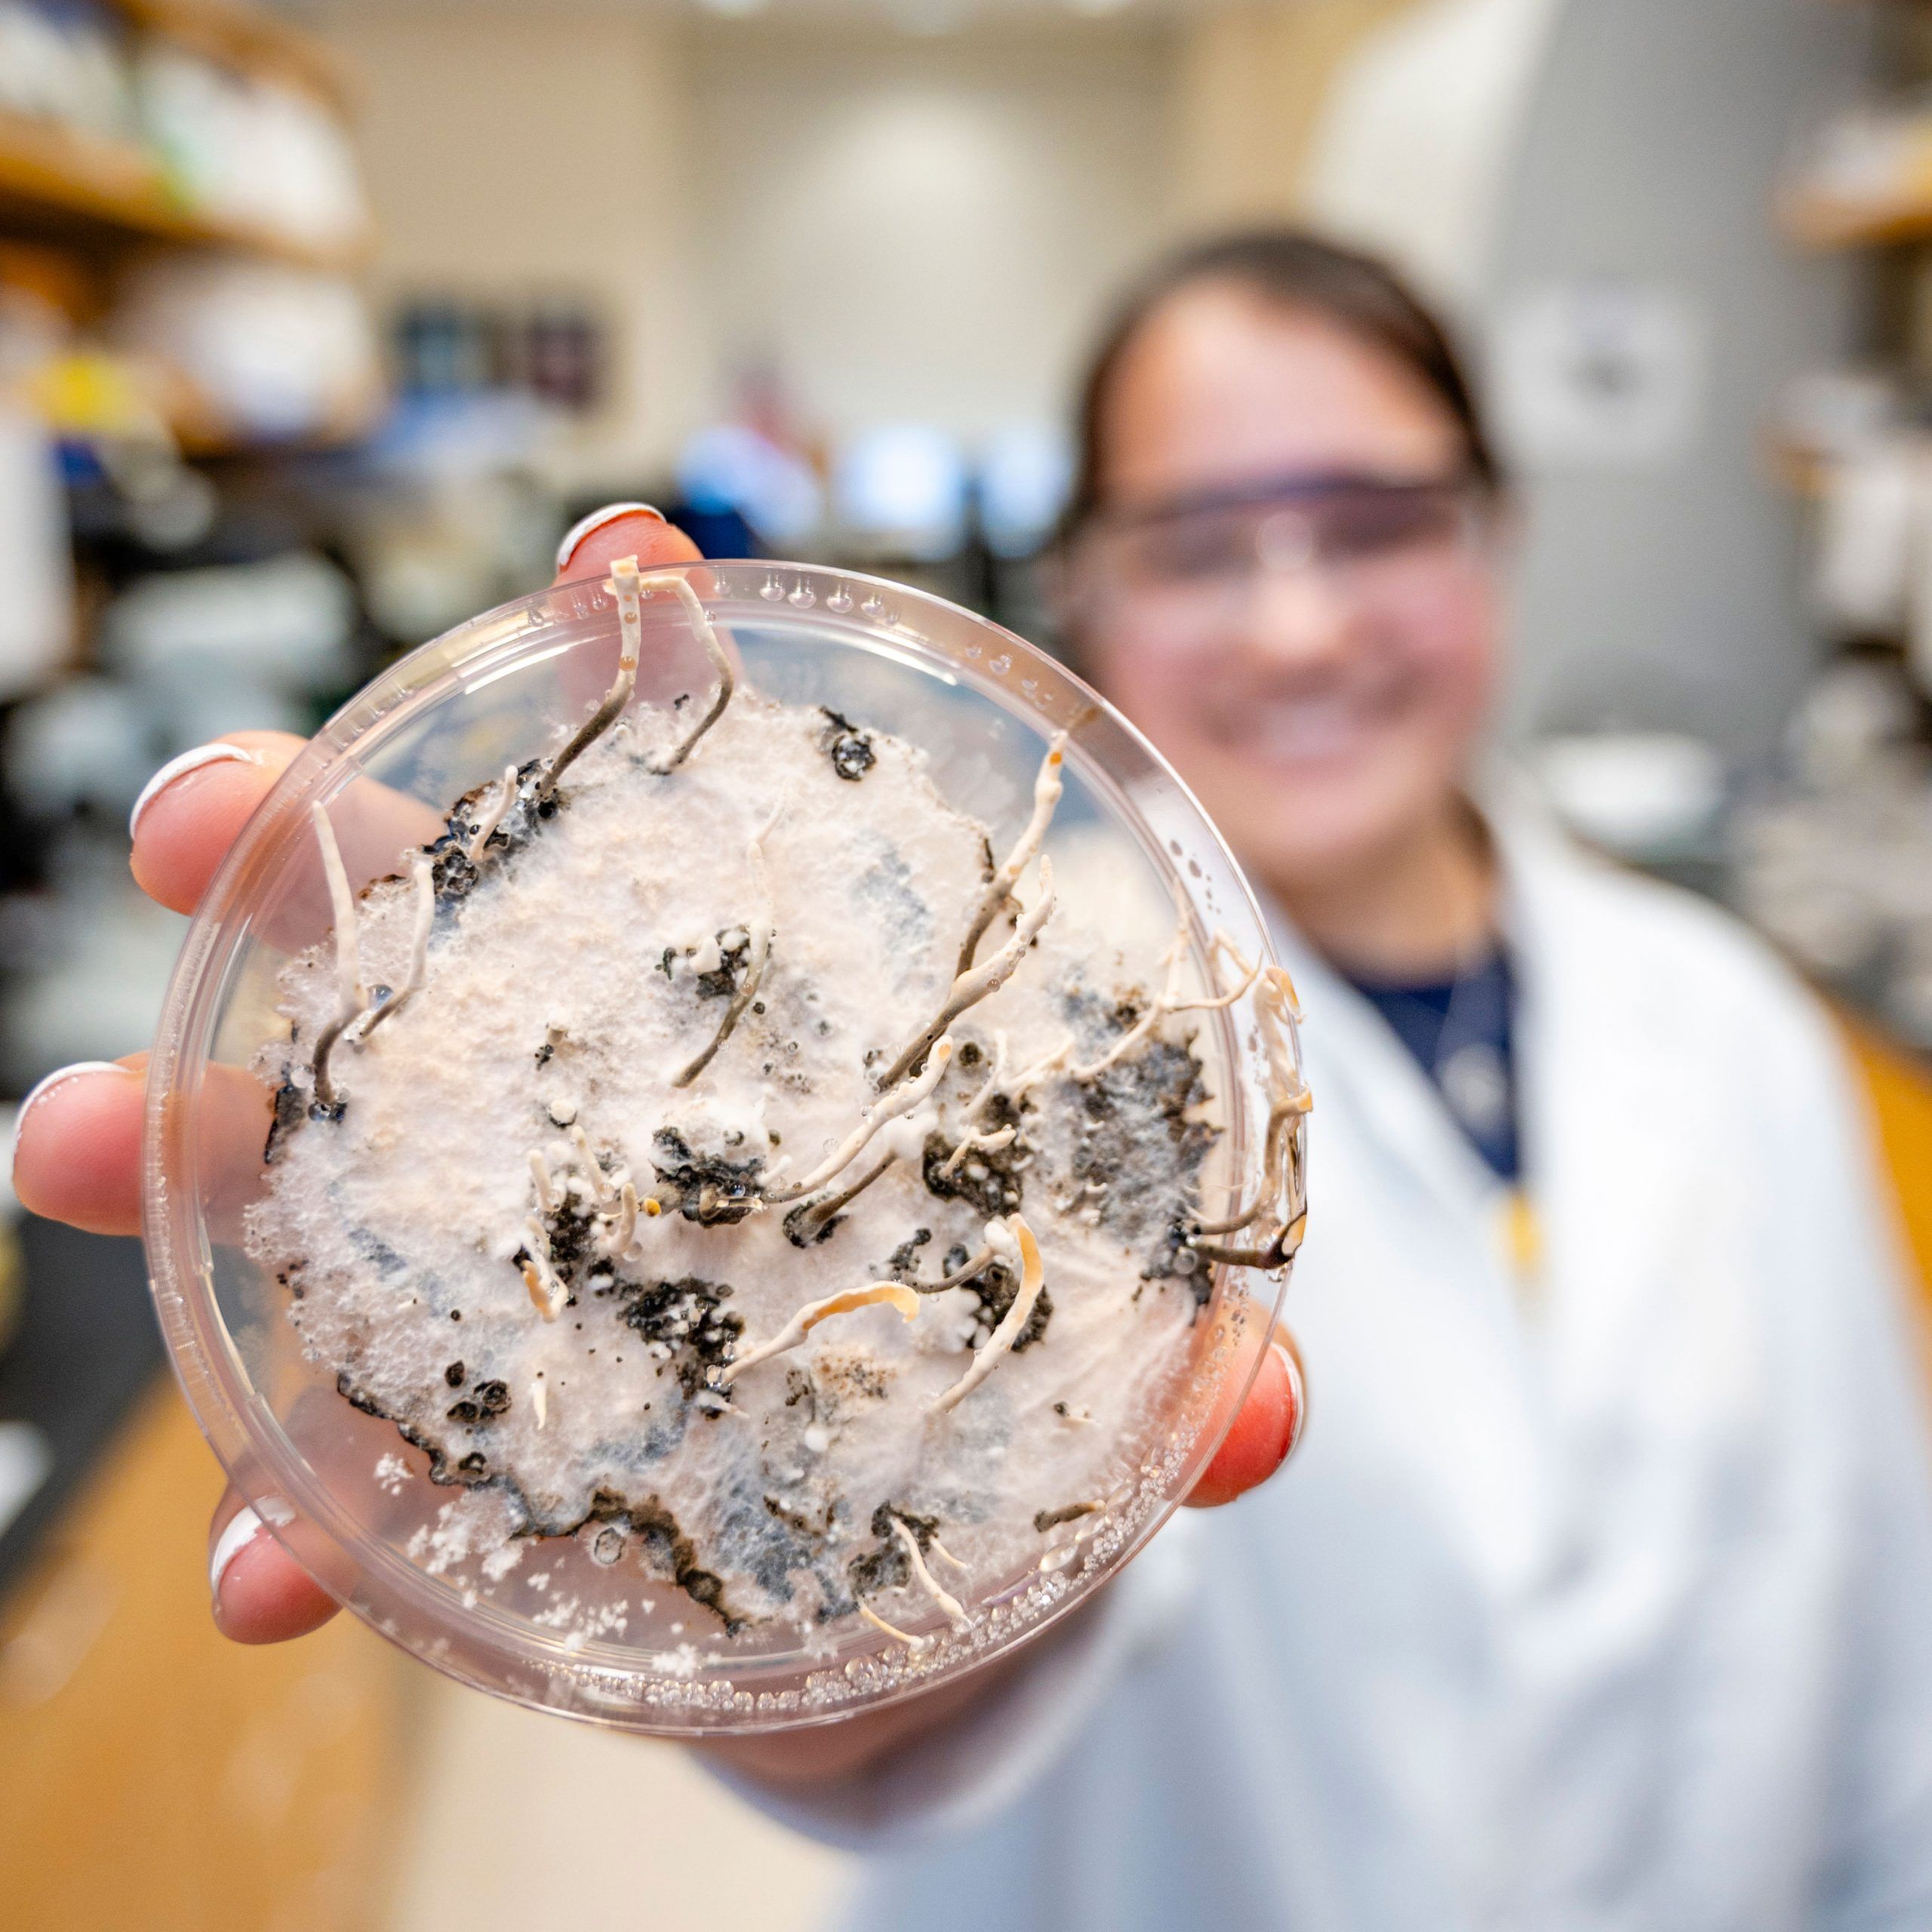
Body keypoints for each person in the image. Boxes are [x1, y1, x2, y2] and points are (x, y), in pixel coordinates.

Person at [15, 230, 1932, 1928]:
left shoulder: (1743, 1036)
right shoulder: (967, 1026)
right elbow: (983, 1655)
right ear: (1087, 586)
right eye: (1196, 542)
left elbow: (1884, 1654)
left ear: (1491, 532)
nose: (1295, 619)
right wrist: (781, 1599)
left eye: (1372, 521)